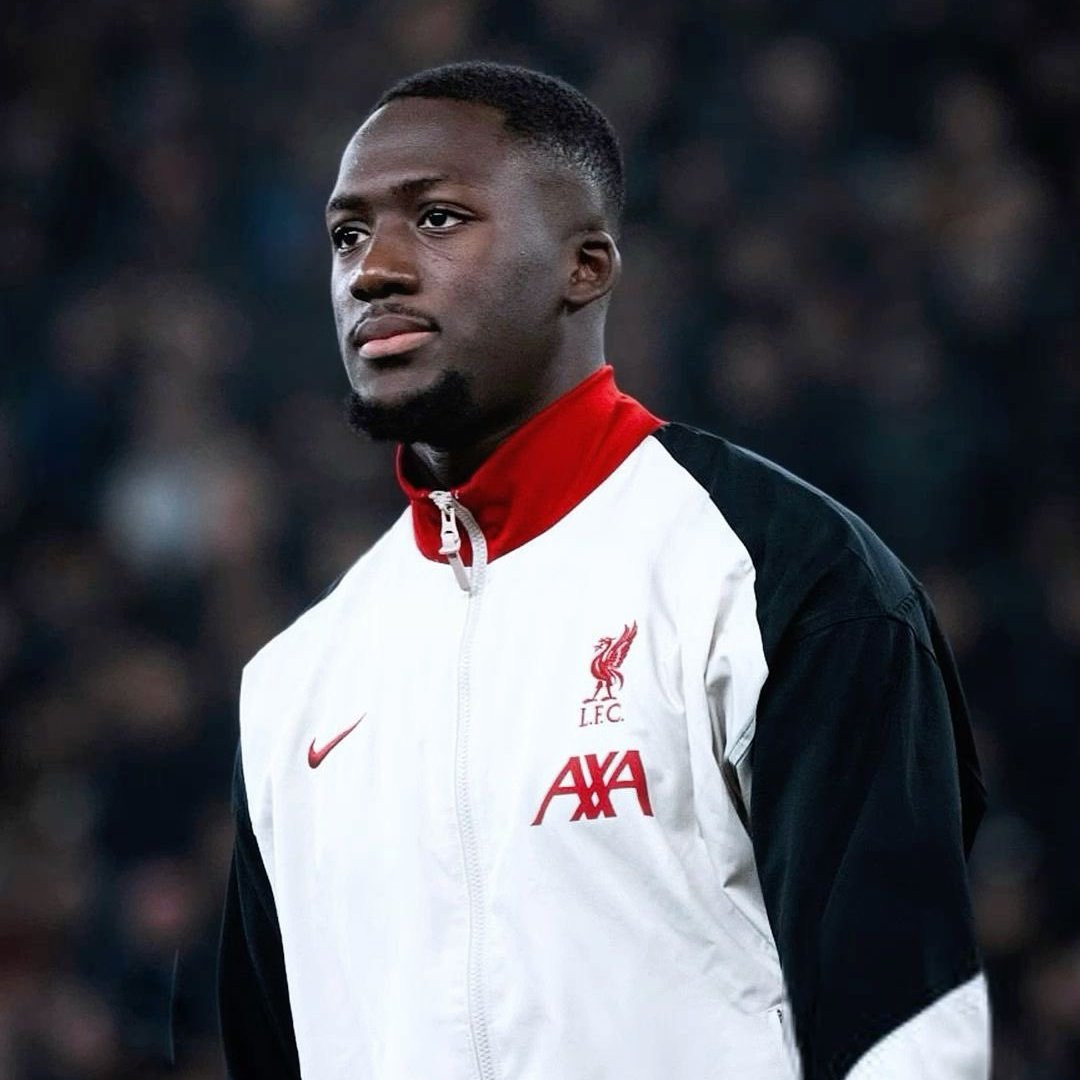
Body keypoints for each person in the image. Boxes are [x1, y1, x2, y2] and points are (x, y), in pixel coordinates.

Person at [218, 61, 989, 1079]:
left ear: (584, 267)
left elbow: (906, 1036)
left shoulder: (776, 577)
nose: (372, 271)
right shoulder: (292, 687)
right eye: (348, 235)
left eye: (438, 218)